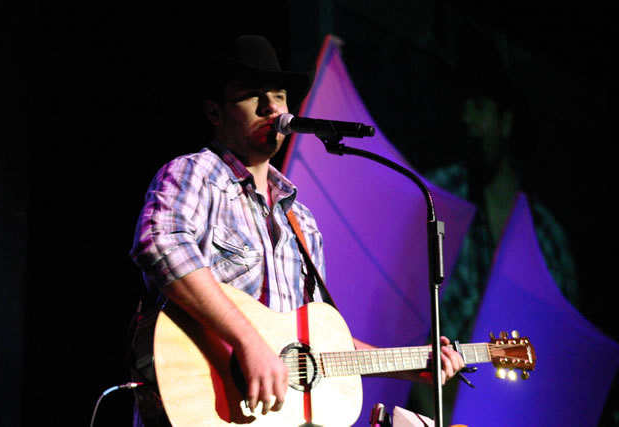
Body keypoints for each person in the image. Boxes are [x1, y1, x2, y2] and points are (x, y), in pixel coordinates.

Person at [129, 34, 465, 426]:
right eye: (252, 94)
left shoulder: (301, 222)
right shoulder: (195, 174)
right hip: (199, 404)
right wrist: (248, 341)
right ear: (215, 112)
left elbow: (313, 345)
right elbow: (161, 246)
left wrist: (408, 366)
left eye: (279, 95)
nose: (271, 107)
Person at [407, 36, 579, 421]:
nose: (468, 119)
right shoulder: (440, 196)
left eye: (480, 107)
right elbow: (406, 313)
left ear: (506, 121)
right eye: (465, 107)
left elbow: (564, 347)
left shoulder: (546, 236)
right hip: (439, 406)